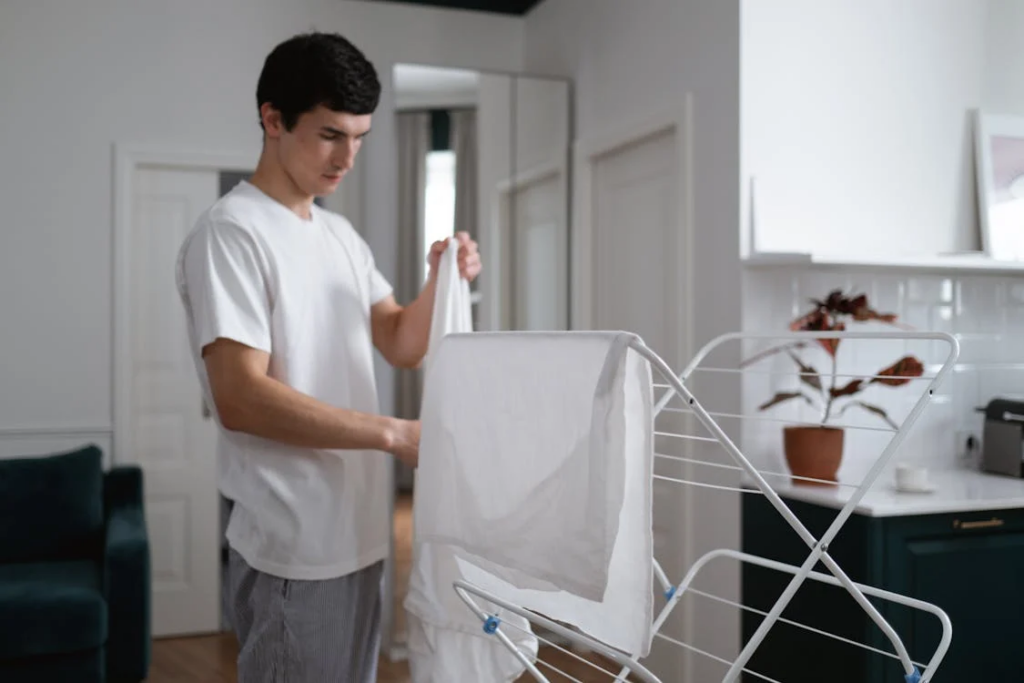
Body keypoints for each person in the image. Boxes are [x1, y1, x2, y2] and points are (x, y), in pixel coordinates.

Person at [174, 31, 481, 683]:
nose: (348, 157)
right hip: (294, 547)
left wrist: (442, 280)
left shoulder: (340, 234)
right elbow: (240, 397)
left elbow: (399, 338)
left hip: (359, 537)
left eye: (362, 137)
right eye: (331, 135)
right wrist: (395, 434)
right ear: (273, 119)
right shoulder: (231, 233)